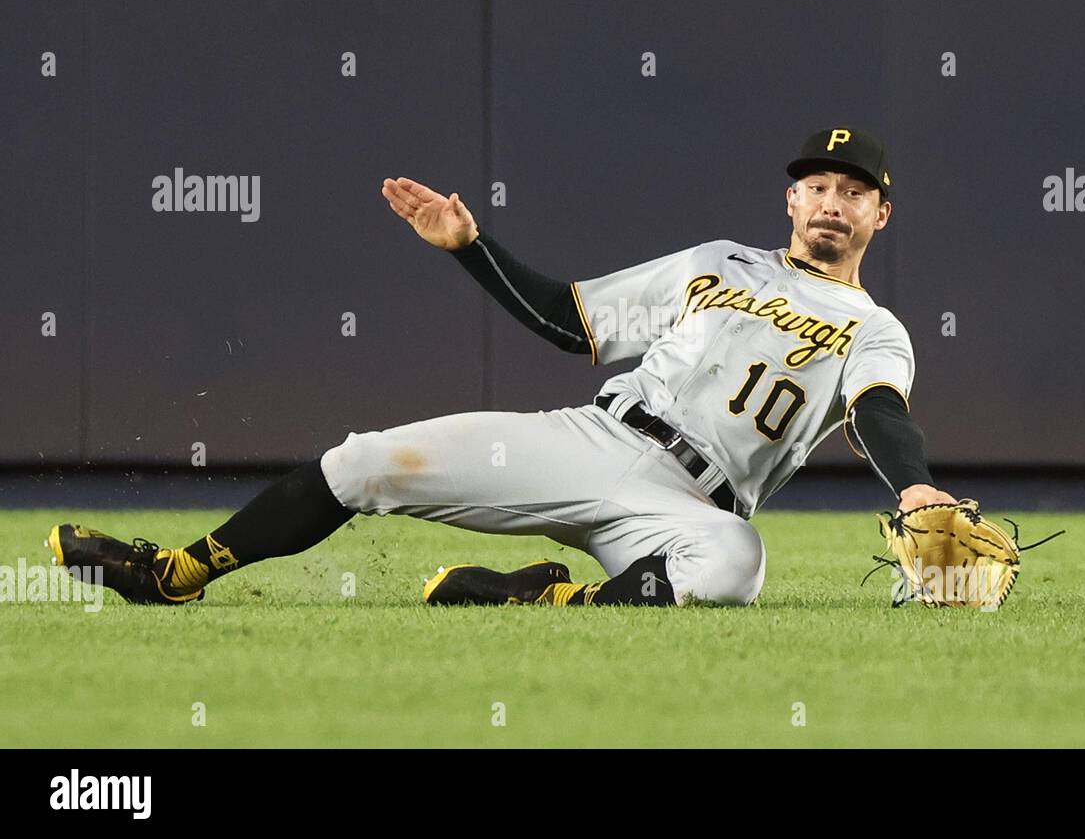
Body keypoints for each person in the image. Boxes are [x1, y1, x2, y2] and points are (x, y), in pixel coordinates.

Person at [47, 126, 956, 608]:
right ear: (792, 198)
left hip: (689, 508)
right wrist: (470, 249)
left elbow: (881, 413)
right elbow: (573, 323)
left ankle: (538, 599)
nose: (834, 203)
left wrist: (915, 489)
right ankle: (178, 570)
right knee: (363, 462)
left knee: (735, 569)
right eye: (820, 187)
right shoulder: (717, 262)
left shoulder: (874, 325)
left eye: (856, 192)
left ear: (883, 215)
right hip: (597, 440)